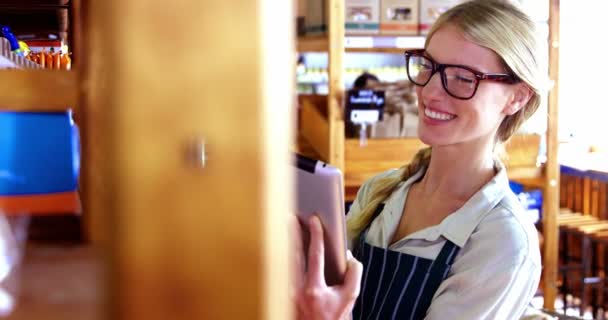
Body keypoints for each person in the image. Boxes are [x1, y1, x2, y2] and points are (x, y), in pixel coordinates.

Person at [294, 0, 546, 319]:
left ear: (516, 97)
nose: (431, 92)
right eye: (429, 67)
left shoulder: (502, 241)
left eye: (463, 78)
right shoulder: (380, 193)